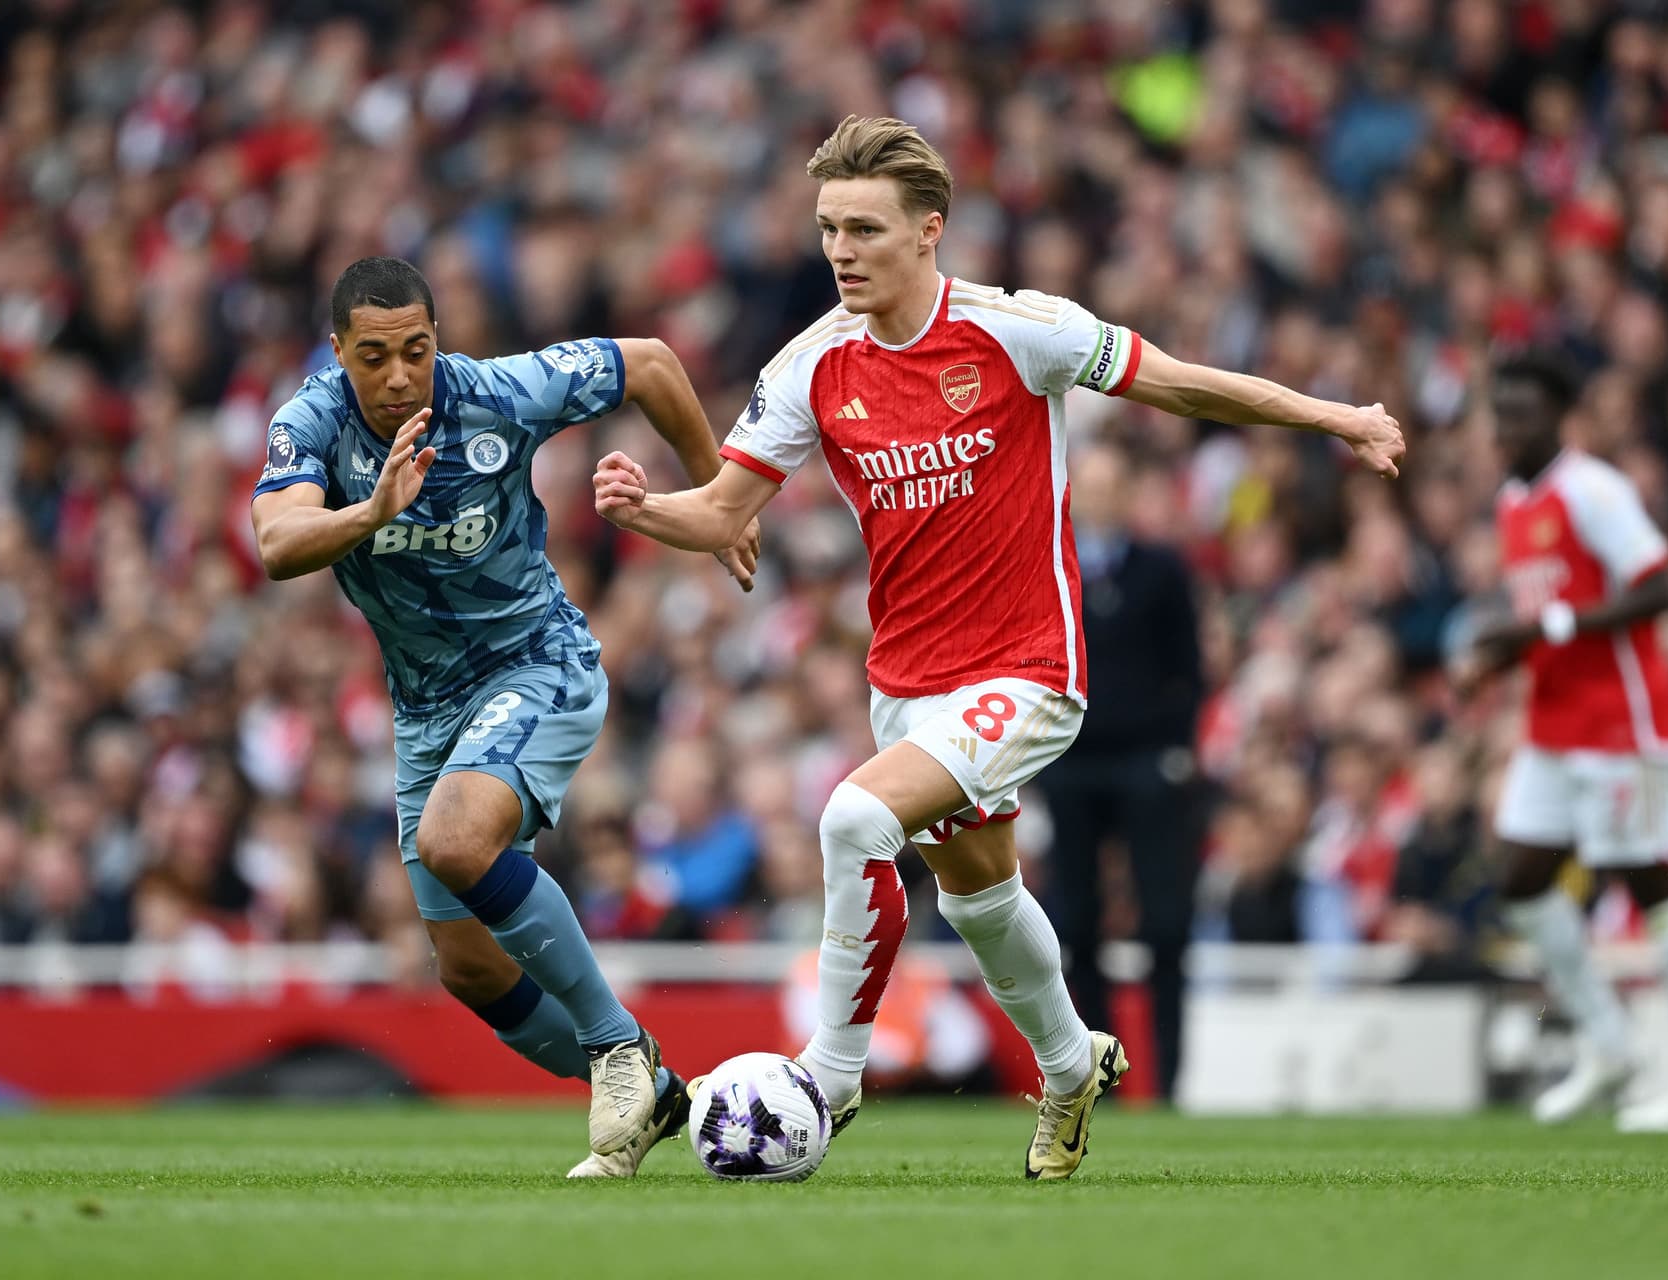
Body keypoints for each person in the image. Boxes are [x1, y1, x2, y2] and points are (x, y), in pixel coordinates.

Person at [591, 117, 1404, 1178]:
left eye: (865, 229)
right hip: (906, 685)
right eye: (830, 228)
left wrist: (1336, 418)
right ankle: (1071, 1066)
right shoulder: (812, 365)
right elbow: (722, 511)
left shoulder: (1020, 330)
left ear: (929, 230)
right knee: (979, 897)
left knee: (853, 817)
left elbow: (1182, 382)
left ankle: (831, 1076)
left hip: (1027, 671)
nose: (841, 250)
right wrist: (646, 508)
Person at [250, 256, 759, 1177]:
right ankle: (655, 1089)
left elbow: (650, 363)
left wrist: (719, 498)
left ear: (437, 339)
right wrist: (371, 511)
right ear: (338, 351)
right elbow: (278, 542)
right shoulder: (310, 422)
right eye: (374, 357)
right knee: (469, 968)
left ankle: (615, 1045)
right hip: (426, 712)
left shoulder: (499, 392)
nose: (399, 375)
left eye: (415, 350)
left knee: (454, 840)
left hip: (537, 665)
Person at [1457, 351, 1668, 1132]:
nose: (1507, 429)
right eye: (1500, 414)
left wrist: (1546, 627)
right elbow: (1545, 616)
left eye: (1522, 413)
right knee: (1520, 880)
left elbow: (1659, 587)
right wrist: (1498, 659)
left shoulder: (1592, 490)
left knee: (1656, 888)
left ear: (1558, 417)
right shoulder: (1515, 501)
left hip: (1620, 725)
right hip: (1552, 726)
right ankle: (1610, 1045)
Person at [1041, 442, 1204, 1102]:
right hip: (1071, 761)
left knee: (1166, 924)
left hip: (1145, 764)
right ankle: (1095, 1075)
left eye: (1113, 484)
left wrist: (1176, 749)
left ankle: (1168, 1081)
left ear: (1129, 492)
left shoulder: (1162, 569)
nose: (1102, 497)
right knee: (1077, 926)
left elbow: (1190, 668)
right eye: (1092, 484)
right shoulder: (1052, 565)